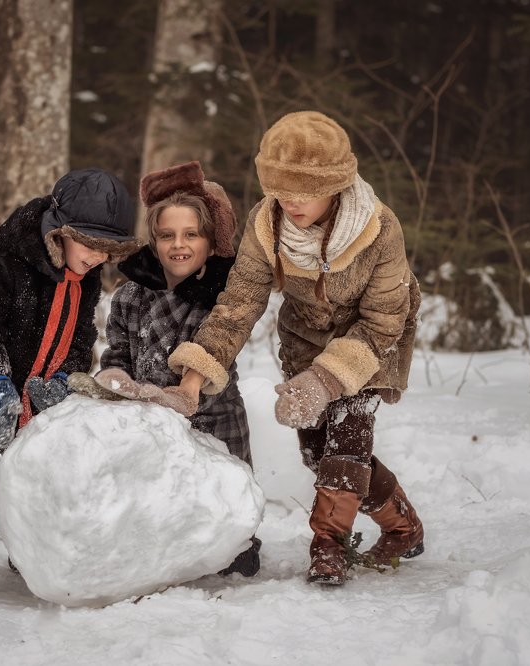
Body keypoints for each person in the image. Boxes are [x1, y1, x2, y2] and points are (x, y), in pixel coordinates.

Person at [163, 111, 424, 585]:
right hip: (305, 341)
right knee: (317, 453)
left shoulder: (379, 228)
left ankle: (328, 546)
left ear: (335, 185)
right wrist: (195, 376)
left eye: (305, 191)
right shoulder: (267, 225)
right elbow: (240, 303)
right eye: (282, 191)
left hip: (371, 344)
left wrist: (326, 381)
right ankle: (403, 525)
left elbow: (386, 319)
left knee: (347, 440)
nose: (292, 203)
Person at [0, 168, 141, 596]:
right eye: (90, 244)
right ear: (60, 231)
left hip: (31, 391)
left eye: (108, 249)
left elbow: (80, 338)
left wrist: (59, 379)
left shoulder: (86, 278)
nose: (97, 256)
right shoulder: (3, 268)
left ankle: (28, 551)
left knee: (35, 469)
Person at [69, 160, 260, 577]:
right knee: (158, 515)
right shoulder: (130, 297)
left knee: (231, 543)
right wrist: (115, 376)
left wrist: (185, 389)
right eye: (167, 235)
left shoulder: (224, 298)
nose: (179, 244)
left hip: (214, 417)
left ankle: (233, 539)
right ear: (153, 242)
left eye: (192, 234)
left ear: (211, 240)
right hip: (150, 420)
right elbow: (118, 350)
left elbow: (216, 350)